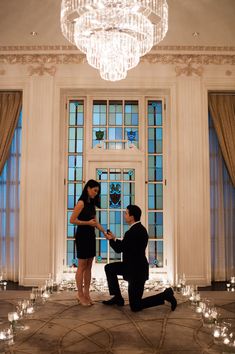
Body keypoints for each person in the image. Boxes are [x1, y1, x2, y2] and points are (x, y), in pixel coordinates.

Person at [103, 204, 177, 312]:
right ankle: (118, 298)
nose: (124, 215)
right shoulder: (139, 229)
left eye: (126, 213)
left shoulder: (132, 232)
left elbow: (120, 249)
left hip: (136, 273)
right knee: (109, 268)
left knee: (135, 306)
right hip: (131, 267)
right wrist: (114, 239)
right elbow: (126, 246)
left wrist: (110, 239)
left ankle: (166, 295)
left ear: (132, 217)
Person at [70, 179, 106, 306]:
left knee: (89, 265)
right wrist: (87, 223)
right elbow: (72, 220)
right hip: (82, 236)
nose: (96, 193)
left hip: (91, 235)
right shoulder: (81, 203)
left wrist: (104, 232)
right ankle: (79, 294)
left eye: (97, 191)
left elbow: (95, 223)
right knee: (82, 265)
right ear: (88, 189)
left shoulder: (92, 204)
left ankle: (87, 293)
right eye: (94, 190)